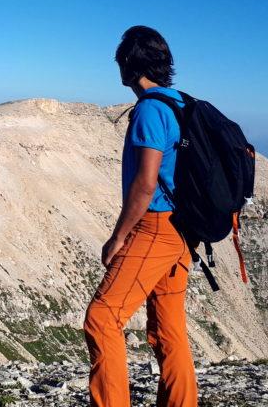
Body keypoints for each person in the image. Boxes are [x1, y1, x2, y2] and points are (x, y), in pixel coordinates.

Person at [83, 25, 198, 407]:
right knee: (168, 330)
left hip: (156, 228)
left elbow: (146, 184)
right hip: (184, 231)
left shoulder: (150, 110)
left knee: (102, 318)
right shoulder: (179, 103)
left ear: (127, 68)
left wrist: (118, 236)